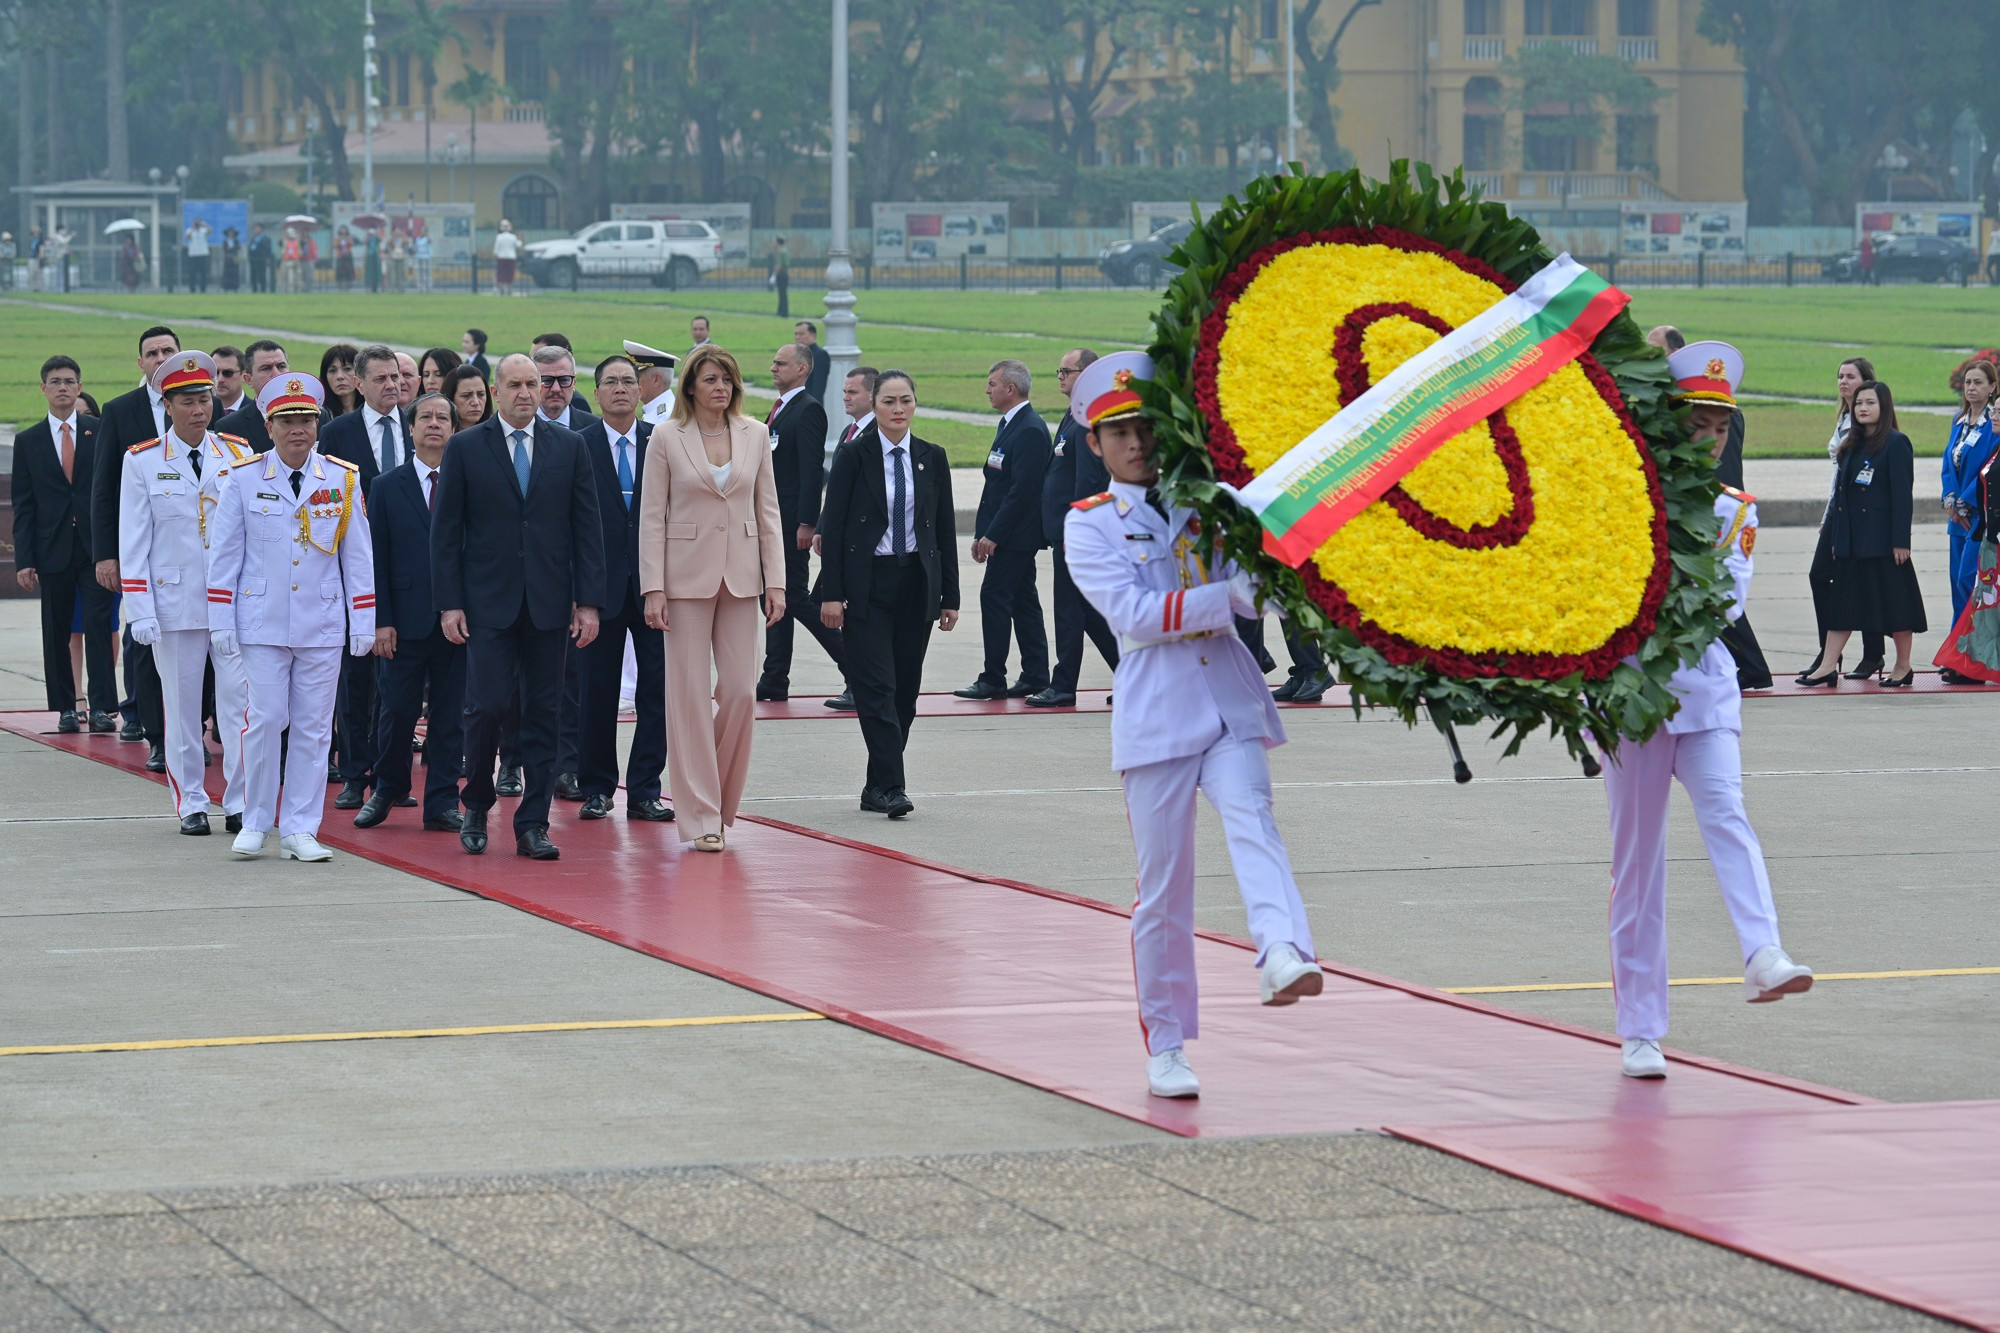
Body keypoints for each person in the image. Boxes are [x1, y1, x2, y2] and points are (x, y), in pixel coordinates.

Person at [1062, 352, 1323, 1100]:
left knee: (1254, 821)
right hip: (1156, 718)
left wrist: (1273, 578)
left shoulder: (1208, 502)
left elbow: (1263, 594)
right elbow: (1135, 618)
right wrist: (1228, 597)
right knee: (1164, 889)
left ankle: (1281, 948)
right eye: (1119, 432)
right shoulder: (1090, 526)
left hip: (1229, 702)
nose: (1137, 442)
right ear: (1095, 444)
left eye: (1146, 426)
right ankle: (1167, 1042)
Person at [1606, 341, 1815, 1081]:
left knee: (1727, 809)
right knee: (1638, 866)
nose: (1709, 437)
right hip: (1633, 695)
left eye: (1720, 427)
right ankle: (1640, 1028)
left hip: (1701, 684)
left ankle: (1764, 952)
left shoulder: (1734, 513)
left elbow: (1722, 602)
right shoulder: (1624, 499)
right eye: (1697, 422)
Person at [432, 353, 605, 860]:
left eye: (534, 383)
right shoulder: (466, 447)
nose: (528, 392)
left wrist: (588, 602)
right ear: (495, 390)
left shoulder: (570, 447)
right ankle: (477, 806)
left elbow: (586, 530)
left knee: (545, 713)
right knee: (486, 707)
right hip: (487, 604)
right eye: (516, 384)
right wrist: (450, 604)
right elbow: (446, 534)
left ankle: (533, 822)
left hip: (550, 605)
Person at [207, 373, 376, 862]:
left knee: (313, 728)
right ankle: (256, 819)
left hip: (321, 623)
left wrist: (362, 621)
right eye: (287, 421)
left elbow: (357, 556)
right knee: (263, 721)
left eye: (305, 419)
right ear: (268, 425)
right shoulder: (242, 478)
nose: (297, 429)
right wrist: (221, 621)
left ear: (317, 423)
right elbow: (225, 557)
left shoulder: (343, 478)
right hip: (261, 621)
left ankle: (301, 827)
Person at [637, 345, 785, 852]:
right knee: (689, 698)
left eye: (726, 379)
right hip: (683, 581)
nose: (719, 387)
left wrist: (777, 583)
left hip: (743, 579)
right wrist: (652, 587)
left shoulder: (757, 434)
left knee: (742, 691)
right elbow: (651, 516)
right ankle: (700, 813)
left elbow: (769, 513)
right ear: (691, 387)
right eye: (709, 379)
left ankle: (719, 800)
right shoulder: (665, 436)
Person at [117, 350, 256, 835]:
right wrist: (139, 609)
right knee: (181, 710)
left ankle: (239, 801)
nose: (200, 409)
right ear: (167, 405)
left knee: (239, 707)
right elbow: (133, 540)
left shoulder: (237, 454)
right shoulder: (144, 461)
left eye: (205, 399)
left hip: (231, 606)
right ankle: (191, 800)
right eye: (188, 401)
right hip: (173, 605)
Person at [816, 370, 958, 817]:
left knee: (905, 692)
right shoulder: (855, 456)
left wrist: (949, 595)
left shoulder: (932, 457)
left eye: (906, 401)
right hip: (867, 585)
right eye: (889, 402)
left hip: (916, 583)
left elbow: (945, 531)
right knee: (877, 687)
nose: (898, 410)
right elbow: (834, 528)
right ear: (874, 406)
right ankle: (894, 787)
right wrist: (831, 593)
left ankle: (875, 785)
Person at [355, 391, 465, 833]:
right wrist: (380, 620)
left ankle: (441, 800)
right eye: (425, 418)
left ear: (454, 430)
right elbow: (374, 557)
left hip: (458, 621)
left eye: (443, 418)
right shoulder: (385, 485)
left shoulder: (468, 483)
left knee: (450, 713)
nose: (434, 424)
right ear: (411, 427)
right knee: (397, 710)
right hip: (403, 619)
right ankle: (387, 787)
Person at [575, 355, 672, 823]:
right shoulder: (578, 446)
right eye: (610, 382)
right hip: (600, 591)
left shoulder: (663, 443)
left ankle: (646, 790)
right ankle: (596, 787)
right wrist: (580, 597)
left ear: (641, 390)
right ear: (596, 394)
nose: (619, 389)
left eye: (628, 382)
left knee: (659, 692)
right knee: (597, 692)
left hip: (656, 589)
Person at [319, 345, 414, 806]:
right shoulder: (337, 434)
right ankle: (355, 774)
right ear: (359, 384)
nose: (392, 385)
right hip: (355, 570)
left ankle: (393, 778)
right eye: (380, 379)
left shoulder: (421, 427)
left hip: (411, 571)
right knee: (356, 678)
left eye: (396, 376)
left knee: (401, 682)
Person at [90, 324, 182, 768]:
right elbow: (103, 489)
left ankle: (190, 733)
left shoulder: (203, 407)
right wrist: (107, 554)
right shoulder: (120, 410)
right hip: (142, 554)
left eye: (168, 350)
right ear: (140, 362)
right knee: (144, 643)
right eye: (152, 353)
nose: (160, 358)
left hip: (192, 555)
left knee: (195, 654)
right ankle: (158, 735)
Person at [13, 356, 117, 733]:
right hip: (51, 549)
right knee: (56, 630)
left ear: (79, 387)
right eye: (54, 381)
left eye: (69, 381)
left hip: (95, 549)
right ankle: (66, 709)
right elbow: (24, 506)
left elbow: (111, 492)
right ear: (43, 388)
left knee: (98, 625)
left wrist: (114, 550)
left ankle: (104, 705)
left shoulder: (99, 430)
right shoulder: (28, 441)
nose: (62, 387)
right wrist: (25, 559)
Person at [1804, 380, 1927, 688]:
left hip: (1884, 544)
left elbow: (1902, 497)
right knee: (1842, 606)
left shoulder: (1896, 443)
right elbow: (1841, 500)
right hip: (1852, 544)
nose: (1863, 408)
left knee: (1896, 606)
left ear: (1883, 407)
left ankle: (1903, 666)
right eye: (1859, 404)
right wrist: (1837, 541)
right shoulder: (1850, 445)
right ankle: (1827, 666)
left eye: (1870, 403)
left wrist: (1901, 541)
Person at [955, 359, 1051, 700]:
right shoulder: (1011, 423)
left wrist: (993, 535)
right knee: (1024, 602)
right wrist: (985, 530)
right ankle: (1037, 675)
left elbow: (1021, 493)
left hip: (1015, 537)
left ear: (1011, 389)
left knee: (994, 598)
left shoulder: (1029, 429)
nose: (987, 389)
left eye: (992, 383)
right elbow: (997, 483)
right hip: (1006, 533)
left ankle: (993, 677)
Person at [1028, 347, 1118, 708]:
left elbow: (1089, 482)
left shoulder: (1089, 419)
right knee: (1088, 613)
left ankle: (1063, 685)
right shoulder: (1074, 415)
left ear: (1089, 374)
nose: (1061, 377)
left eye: (1067, 371)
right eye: (1059, 371)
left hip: (1074, 533)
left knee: (1069, 610)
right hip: (1064, 530)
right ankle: (1137, 674)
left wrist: (1079, 530)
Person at [757, 342, 845, 702]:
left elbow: (812, 472)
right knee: (775, 599)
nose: (774, 368)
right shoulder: (780, 410)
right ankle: (774, 677)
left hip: (792, 525)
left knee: (792, 597)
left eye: (781, 363)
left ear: (802, 369)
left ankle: (854, 666)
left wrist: (807, 523)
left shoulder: (807, 411)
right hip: (773, 523)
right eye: (774, 362)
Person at [1802, 357, 1884, 682]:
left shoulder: (1870, 422)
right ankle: (1829, 655)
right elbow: (1838, 476)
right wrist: (1827, 515)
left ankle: (1869, 654)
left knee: (1861, 580)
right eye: (1840, 376)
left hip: (1860, 515)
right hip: (1838, 510)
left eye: (1850, 376)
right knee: (1820, 576)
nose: (1843, 382)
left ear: (1866, 380)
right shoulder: (1844, 418)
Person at [1938, 358, 1999, 648]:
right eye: (1967, 382)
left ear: (1992, 387)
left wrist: (1965, 503)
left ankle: (1969, 651)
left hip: (1977, 517)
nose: (1971, 388)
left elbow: (1989, 466)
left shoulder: (1994, 424)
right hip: (1956, 518)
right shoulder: (1958, 422)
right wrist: (1949, 499)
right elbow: (1948, 465)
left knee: (1968, 580)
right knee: (1956, 585)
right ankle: (1956, 650)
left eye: (1978, 382)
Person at [214, 340, 290, 457]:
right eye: (266, 368)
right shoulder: (230, 427)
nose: (276, 374)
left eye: (281, 366)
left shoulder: (315, 415)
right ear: (248, 379)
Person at [531, 338, 596, 425]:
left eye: (564, 380)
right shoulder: (517, 425)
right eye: (547, 380)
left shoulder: (595, 427)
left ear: (574, 383)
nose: (556, 389)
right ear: (532, 383)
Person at [626, 339, 678, 428]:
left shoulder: (665, 418)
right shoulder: (657, 412)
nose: (632, 384)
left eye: (636, 378)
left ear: (656, 380)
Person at [319, 345, 363, 420]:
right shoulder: (320, 415)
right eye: (332, 371)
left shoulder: (372, 409)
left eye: (347, 369)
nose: (340, 376)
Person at [794, 320, 830, 403]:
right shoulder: (799, 354)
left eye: (801, 334)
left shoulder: (820, 355)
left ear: (813, 335)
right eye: (796, 334)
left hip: (810, 406)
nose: (797, 337)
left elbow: (818, 387)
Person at [210, 347, 248, 417]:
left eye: (228, 373)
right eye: (216, 372)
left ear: (243, 376)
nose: (220, 379)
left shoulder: (258, 413)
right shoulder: (201, 413)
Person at [491, 219, 519, 296]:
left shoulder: (499, 236)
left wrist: (495, 255)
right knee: (510, 273)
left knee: (501, 273)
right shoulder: (513, 237)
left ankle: (502, 288)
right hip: (511, 257)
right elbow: (517, 246)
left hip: (501, 257)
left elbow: (496, 248)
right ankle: (509, 288)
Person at [183, 220, 212, 294]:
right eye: (196, 224)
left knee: (203, 273)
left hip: (203, 254)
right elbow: (187, 236)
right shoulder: (190, 230)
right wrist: (193, 228)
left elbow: (210, 231)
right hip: (193, 254)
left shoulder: (203, 230)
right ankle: (192, 289)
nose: (197, 225)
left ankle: (203, 289)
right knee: (192, 273)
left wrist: (204, 224)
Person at [248, 223, 273, 293]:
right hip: (254, 259)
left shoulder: (265, 238)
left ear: (261, 229)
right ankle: (254, 289)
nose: (256, 230)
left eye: (258, 228)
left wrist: (267, 258)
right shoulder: (253, 238)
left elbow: (268, 249)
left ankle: (263, 289)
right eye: (255, 228)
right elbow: (250, 249)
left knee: (262, 275)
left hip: (261, 259)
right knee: (253, 275)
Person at [334, 225, 357, 291]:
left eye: (344, 229)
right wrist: (339, 243)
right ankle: (340, 286)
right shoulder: (337, 239)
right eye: (342, 229)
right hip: (340, 257)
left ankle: (348, 286)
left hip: (348, 257)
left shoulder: (349, 238)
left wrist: (347, 240)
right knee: (340, 272)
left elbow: (352, 243)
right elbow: (335, 245)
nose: (343, 231)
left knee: (349, 272)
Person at [771, 237, 790, 317]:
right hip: (785, 274)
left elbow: (780, 265)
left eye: (775, 242)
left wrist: (774, 274)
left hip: (781, 274)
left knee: (782, 294)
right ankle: (781, 311)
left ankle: (783, 312)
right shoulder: (786, 251)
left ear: (778, 243)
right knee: (783, 294)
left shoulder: (781, 252)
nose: (774, 244)